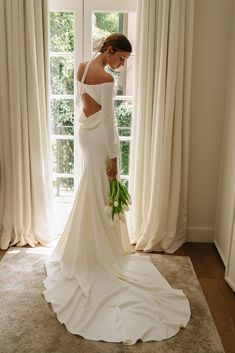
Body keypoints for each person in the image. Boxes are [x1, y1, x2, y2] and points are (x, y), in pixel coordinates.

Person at [43, 33, 191, 345]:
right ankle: (99, 251)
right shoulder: (107, 80)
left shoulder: (82, 67)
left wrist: (91, 122)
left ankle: (90, 244)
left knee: (92, 192)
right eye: (120, 58)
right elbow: (110, 121)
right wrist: (114, 160)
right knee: (101, 192)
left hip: (85, 135)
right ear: (110, 51)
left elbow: (83, 104)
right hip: (99, 141)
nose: (121, 65)